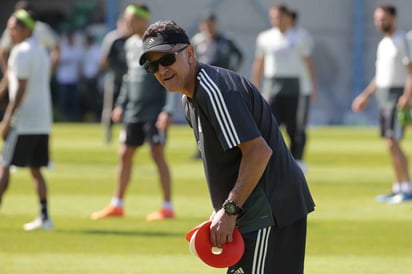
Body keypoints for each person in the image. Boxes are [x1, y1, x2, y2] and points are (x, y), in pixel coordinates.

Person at [139, 20, 315, 274]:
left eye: (166, 59)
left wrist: (230, 209)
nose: (160, 70)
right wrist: (220, 210)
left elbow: (258, 152)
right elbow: (227, 161)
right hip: (254, 209)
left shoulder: (213, 90)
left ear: (189, 53)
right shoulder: (190, 98)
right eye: (151, 65)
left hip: (268, 209)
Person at [91, 4, 178, 221]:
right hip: (134, 111)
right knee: (124, 154)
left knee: (157, 156)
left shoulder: (157, 45)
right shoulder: (129, 44)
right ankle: (117, 204)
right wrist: (120, 104)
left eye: (131, 20)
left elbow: (170, 77)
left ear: (142, 20)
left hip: (154, 111)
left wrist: (167, 111)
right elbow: (129, 78)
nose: (127, 23)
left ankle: (167, 207)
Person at [352, 4, 412, 204]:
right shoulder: (383, 44)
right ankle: (398, 187)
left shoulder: (402, 41)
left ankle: (406, 188)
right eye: (377, 19)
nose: (379, 22)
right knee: (390, 143)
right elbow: (380, 76)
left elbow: (410, 71)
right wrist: (365, 96)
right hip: (384, 97)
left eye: (383, 18)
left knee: (393, 142)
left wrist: (406, 96)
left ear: (393, 18)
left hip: (397, 96)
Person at [0, 10, 53, 231]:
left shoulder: (21, 52)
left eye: (14, 27)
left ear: (27, 29)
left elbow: (20, 90)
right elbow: (12, 81)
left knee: (3, 165)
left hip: (24, 121)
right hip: (43, 120)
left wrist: (7, 119)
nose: (10, 31)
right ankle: (45, 217)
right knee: (36, 168)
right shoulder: (41, 49)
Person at [251, 4, 315, 172]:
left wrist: (313, 87)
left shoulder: (300, 37)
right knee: (269, 126)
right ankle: (272, 162)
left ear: (288, 17)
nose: (276, 20)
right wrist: (255, 85)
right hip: (272, 88)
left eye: (279, 17)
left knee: (296, 128)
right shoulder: (265, 38)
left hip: (297, 89)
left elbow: (309, 63)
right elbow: (259, 62)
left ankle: (298, 161)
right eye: (273, 17)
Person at [190, 10, 244, 159]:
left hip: (221, 81)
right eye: (207, 24)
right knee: (202, 115)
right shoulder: (197, 40)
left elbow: (240, 55)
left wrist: (232, 71)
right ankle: (202, 148)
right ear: (202, 25)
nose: (209, 27)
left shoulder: (226, 40)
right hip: (201, 81)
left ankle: (229, 145)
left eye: (212, 24)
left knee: (224, 114)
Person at [0, 1, 60, 75]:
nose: (12, 33)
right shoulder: (12, 31)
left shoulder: (41, 29)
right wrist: (8, 74)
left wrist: (49, 73)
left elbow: (56, 49)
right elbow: (2, 51)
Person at [100, 15, 131, 144]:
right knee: (110, 106)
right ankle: (108, 134)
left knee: (129, 107)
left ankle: (126, 133)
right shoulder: (113, 39)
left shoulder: (131, 39)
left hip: (129, 79)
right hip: (114, 78)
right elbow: (105, 59)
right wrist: (111, 71)